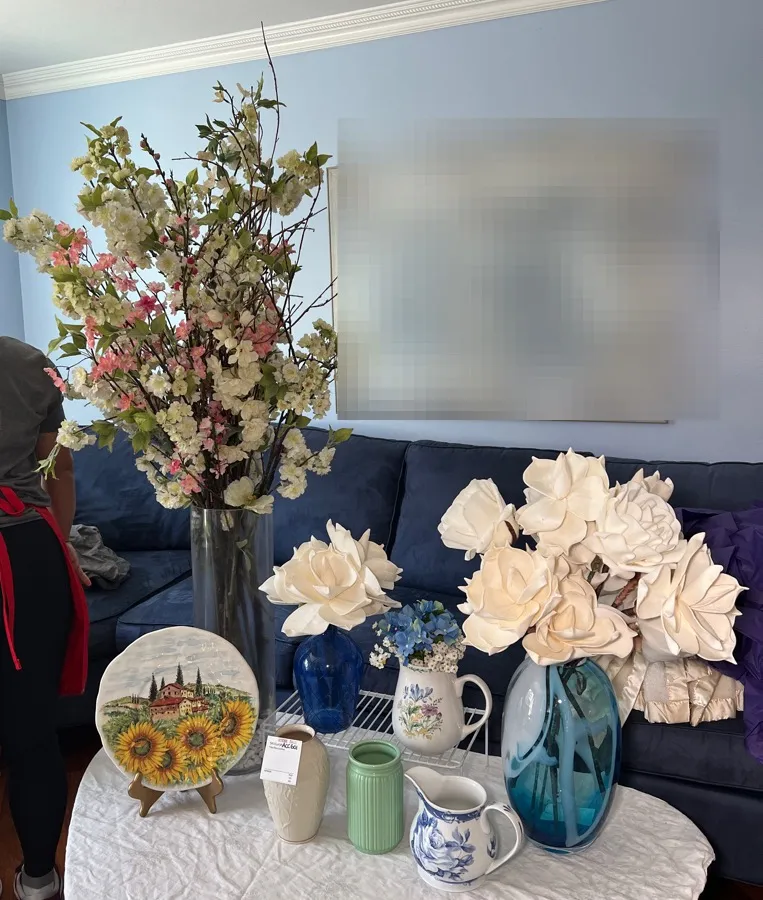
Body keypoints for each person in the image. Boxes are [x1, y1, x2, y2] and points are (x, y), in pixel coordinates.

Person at [0, 336, 90, 900]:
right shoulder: (28, 362)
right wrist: (65, 543)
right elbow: (59, 467)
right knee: (33, 733)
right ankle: (39, 879)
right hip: (29, 553)